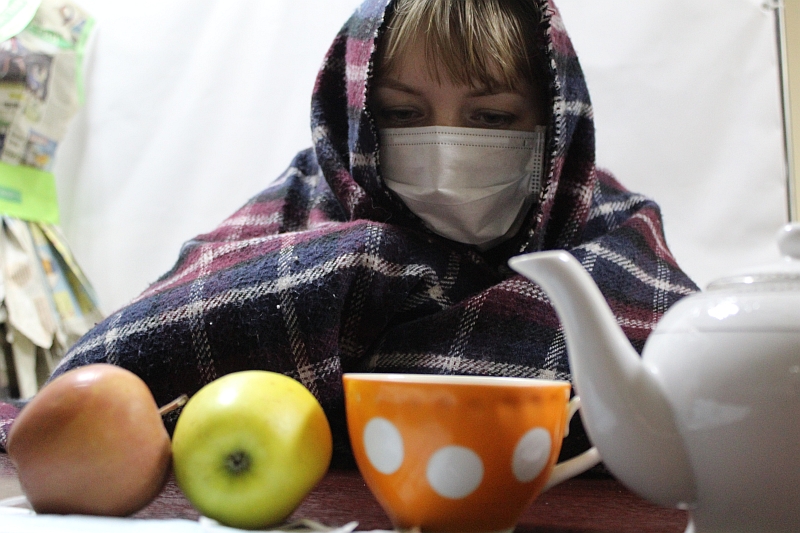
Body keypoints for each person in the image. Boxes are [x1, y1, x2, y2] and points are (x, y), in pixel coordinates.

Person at [0, 0, 698, 465]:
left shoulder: (614, 242)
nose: (446, 150)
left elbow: (702, 409)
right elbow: (103, 386)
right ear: (355, 111)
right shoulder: (293, 216)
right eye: (400, 113)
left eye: (491, 118)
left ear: (554, 123)